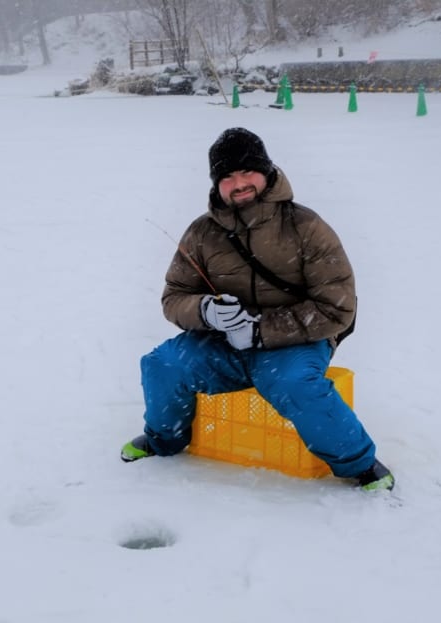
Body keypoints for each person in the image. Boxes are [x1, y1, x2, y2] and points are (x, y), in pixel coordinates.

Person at [121, 127, 394, 491]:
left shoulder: (306, 227)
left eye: (248, 171)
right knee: (162, 364)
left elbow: (336, 307)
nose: (239, 183)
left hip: (296, 341)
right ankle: (163, 439)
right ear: (216, 184)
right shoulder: (201, 233)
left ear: (266, 172)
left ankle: (359, 464)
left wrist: (260, 331)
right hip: (223, 342)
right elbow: (174, 297)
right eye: (227, 176)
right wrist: (206, 312)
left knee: (293, 383)